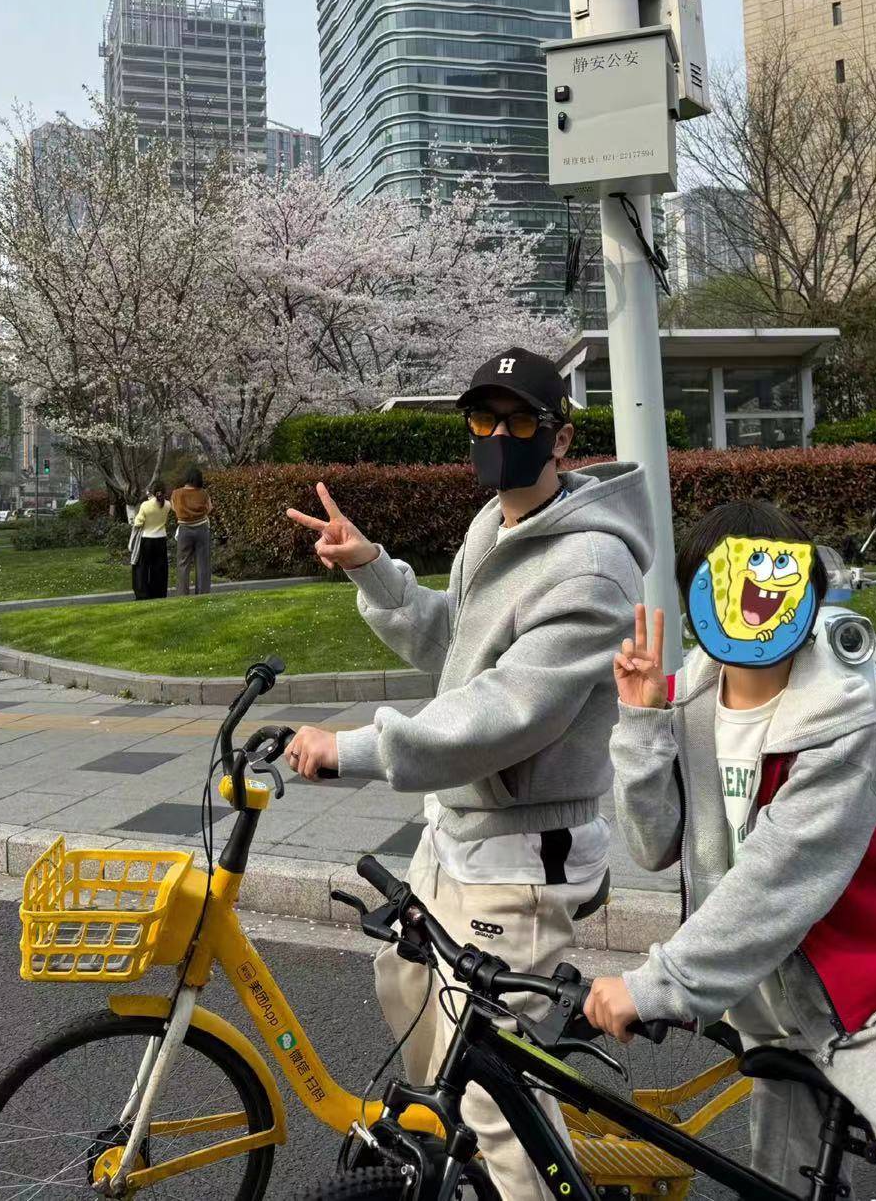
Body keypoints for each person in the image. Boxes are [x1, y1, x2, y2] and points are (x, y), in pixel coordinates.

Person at [285, 347, 652, 1201]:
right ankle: (466, 1170)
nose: (496, 436)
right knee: (408, 989)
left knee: (495, 1090)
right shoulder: (494, 524)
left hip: (525, 853)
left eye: (519, 421)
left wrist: (354, 748)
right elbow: (458, 645)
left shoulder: (591, 565)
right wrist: (371, 567)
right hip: (455, 835)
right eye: (482, 420)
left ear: (561, 438)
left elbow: (506, 709)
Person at [584, 499, 876, 1201]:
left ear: (807, 597)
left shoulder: (839, 722)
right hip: (767, 1011)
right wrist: (640, 720)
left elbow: (778, 877)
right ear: (699, 601)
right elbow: (653, 844)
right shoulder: (687, 701)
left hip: (875, 996)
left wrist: (658, 983)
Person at [171, 467, 212, 596]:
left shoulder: (176, 493)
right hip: (202, 529)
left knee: (183, 563)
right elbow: (209, 508)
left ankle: (182, 594)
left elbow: (174, 508)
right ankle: (203, 593)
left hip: (184, 529)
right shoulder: (203, 493)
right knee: (203, 563)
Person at [130, 482, 172, 600]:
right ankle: (158, 593)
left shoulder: (145, 505)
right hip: (161, 539)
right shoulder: (167, 504)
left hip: (147, 539)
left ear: (151, 492)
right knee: (159, 568)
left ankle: (142, 593)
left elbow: (138, 522)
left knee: (142, 568)